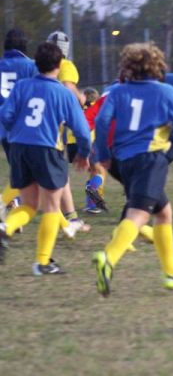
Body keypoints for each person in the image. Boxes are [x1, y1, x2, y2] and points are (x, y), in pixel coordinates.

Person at [92, 42, 173, 296]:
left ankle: (172, 273)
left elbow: (103, 121)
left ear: (128, 66)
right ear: (157, 64)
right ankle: (109, 258)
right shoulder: (165, 91)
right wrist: (172, 137)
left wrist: (104, 154)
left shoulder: (117, 92)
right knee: (138, 216)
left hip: (123, 161)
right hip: (150, 159)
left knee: (164, 212)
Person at [0, 42, 91, 274]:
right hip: (47, 148)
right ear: (60, 65)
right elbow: (81, 130)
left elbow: (6, 115)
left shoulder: (22, 86)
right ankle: (42, 262)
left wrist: (16, 130)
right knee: (51, 206)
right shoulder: (63, 93)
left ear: (36, 64)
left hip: (19, 146)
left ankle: (5, 226)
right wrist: (83, 152)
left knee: (29, 204)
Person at [47, 31, 89, 235]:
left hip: (35, 125)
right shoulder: (66, 66)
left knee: (58, 172)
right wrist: (81, 98)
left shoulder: (39, 66)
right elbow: (68, 86)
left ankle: (71, 217)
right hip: (53, 127)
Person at [0, 28, 38, 227]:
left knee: (19, 170)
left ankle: (12, 210)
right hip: (26, 128)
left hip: (3, 127)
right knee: (28, 174)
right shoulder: (31, 66)